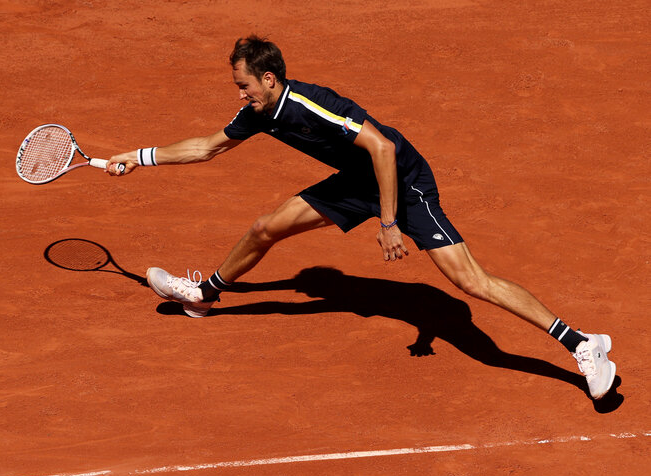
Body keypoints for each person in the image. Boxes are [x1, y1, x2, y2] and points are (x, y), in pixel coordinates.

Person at [106, 35, 616, 400]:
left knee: (471, 282)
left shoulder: (311, 103)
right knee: (267, 227)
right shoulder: (259, 113)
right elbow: (206, 147)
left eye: (244, 85)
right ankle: (205, 295)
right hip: (356, 182)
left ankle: (582, 344)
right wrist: (137, 154)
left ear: (269, 77)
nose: (240, 94)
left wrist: (390, 222)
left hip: (402, 179)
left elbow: (383, 147)